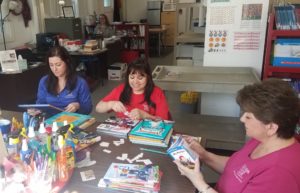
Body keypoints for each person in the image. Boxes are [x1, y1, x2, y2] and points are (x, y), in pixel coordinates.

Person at [174, 78, 300, 193]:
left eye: (249, 116)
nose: (242, 119)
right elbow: (238, 170)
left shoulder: (279, 173)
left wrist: (199, 182)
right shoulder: (263, 139)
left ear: (271, 127)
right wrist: (204, 155)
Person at [95, 59, 170, 120]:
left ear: (148, 78)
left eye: (140, 78)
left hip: (147, 134)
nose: (135, 82)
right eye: (132, 77)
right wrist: (111, 104)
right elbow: (98, 108)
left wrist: (145, 115)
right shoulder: (121, 89)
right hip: (123, 132)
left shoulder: (157, 92)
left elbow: (163, 121)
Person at [35, 46, 92, 116]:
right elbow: (40, 104)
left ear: (67, 61)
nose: (54, 69)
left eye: (58, 65)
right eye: (51, 65)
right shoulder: (44, 81)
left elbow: (88, 108)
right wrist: (36, 110)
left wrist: (78, 106)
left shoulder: (80, 83)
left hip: (73, 121)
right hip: (51, 122)